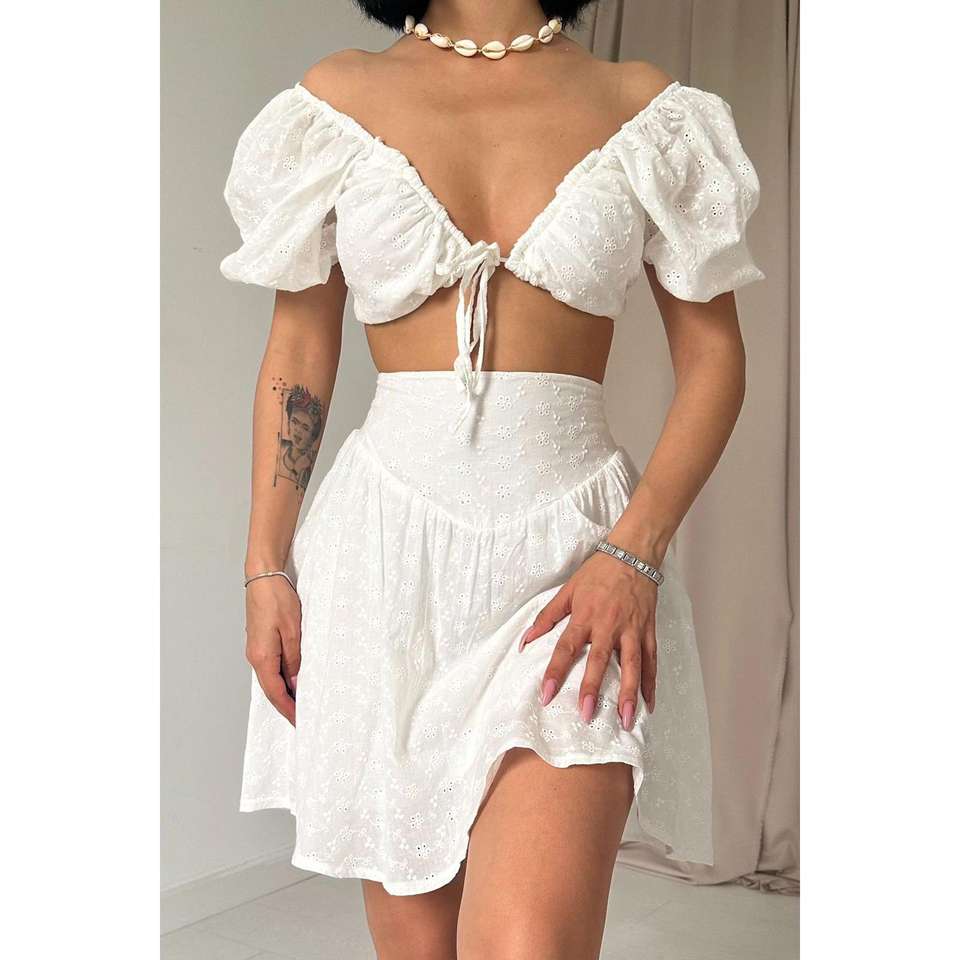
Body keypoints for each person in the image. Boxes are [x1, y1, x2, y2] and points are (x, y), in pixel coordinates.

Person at [220, 2, 764, 957]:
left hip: (575, 573)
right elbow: (299, 348)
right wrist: (265, 564)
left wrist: (633, 553)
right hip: (386, 566)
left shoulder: (642, 107)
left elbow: (715, 360)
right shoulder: (336, 100)